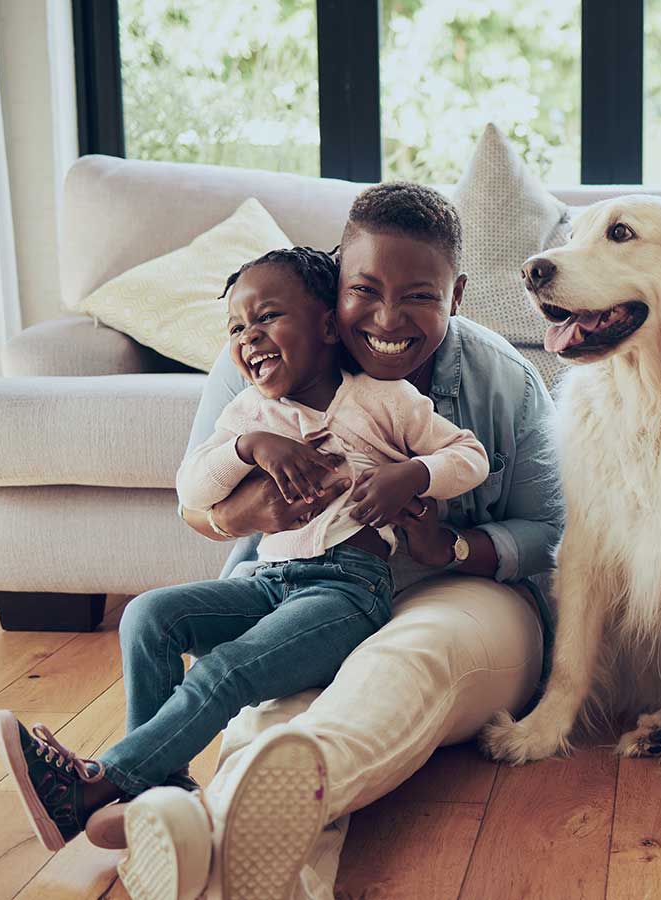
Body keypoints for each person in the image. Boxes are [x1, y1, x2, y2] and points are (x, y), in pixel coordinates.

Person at [92, 183, 558, 900]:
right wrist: (250, 515)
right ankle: (192, 836)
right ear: (333, 287)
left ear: (456, 295)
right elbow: (196, 503)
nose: (387, 319)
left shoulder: (507, 383)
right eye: (364, 290)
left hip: (462, 590)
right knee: (269, 698)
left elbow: (548, 530)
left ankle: (205, 836)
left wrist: (453, 549)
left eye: (420, 298)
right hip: (303, 578)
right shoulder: (260, 363)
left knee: (399, 663)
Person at [0, 245, 494, 857]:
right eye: (237, 326)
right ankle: (155, 790)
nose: (250, 337)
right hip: (266, 579)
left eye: (268, 318)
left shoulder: (382, 399)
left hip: (347, 592)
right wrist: (252, 445)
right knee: (149, 616)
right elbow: (193, 488)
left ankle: (100, 782)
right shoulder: (248, 412)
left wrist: (411, 476)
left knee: (225, 669)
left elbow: (469, 456)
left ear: (329, 326)